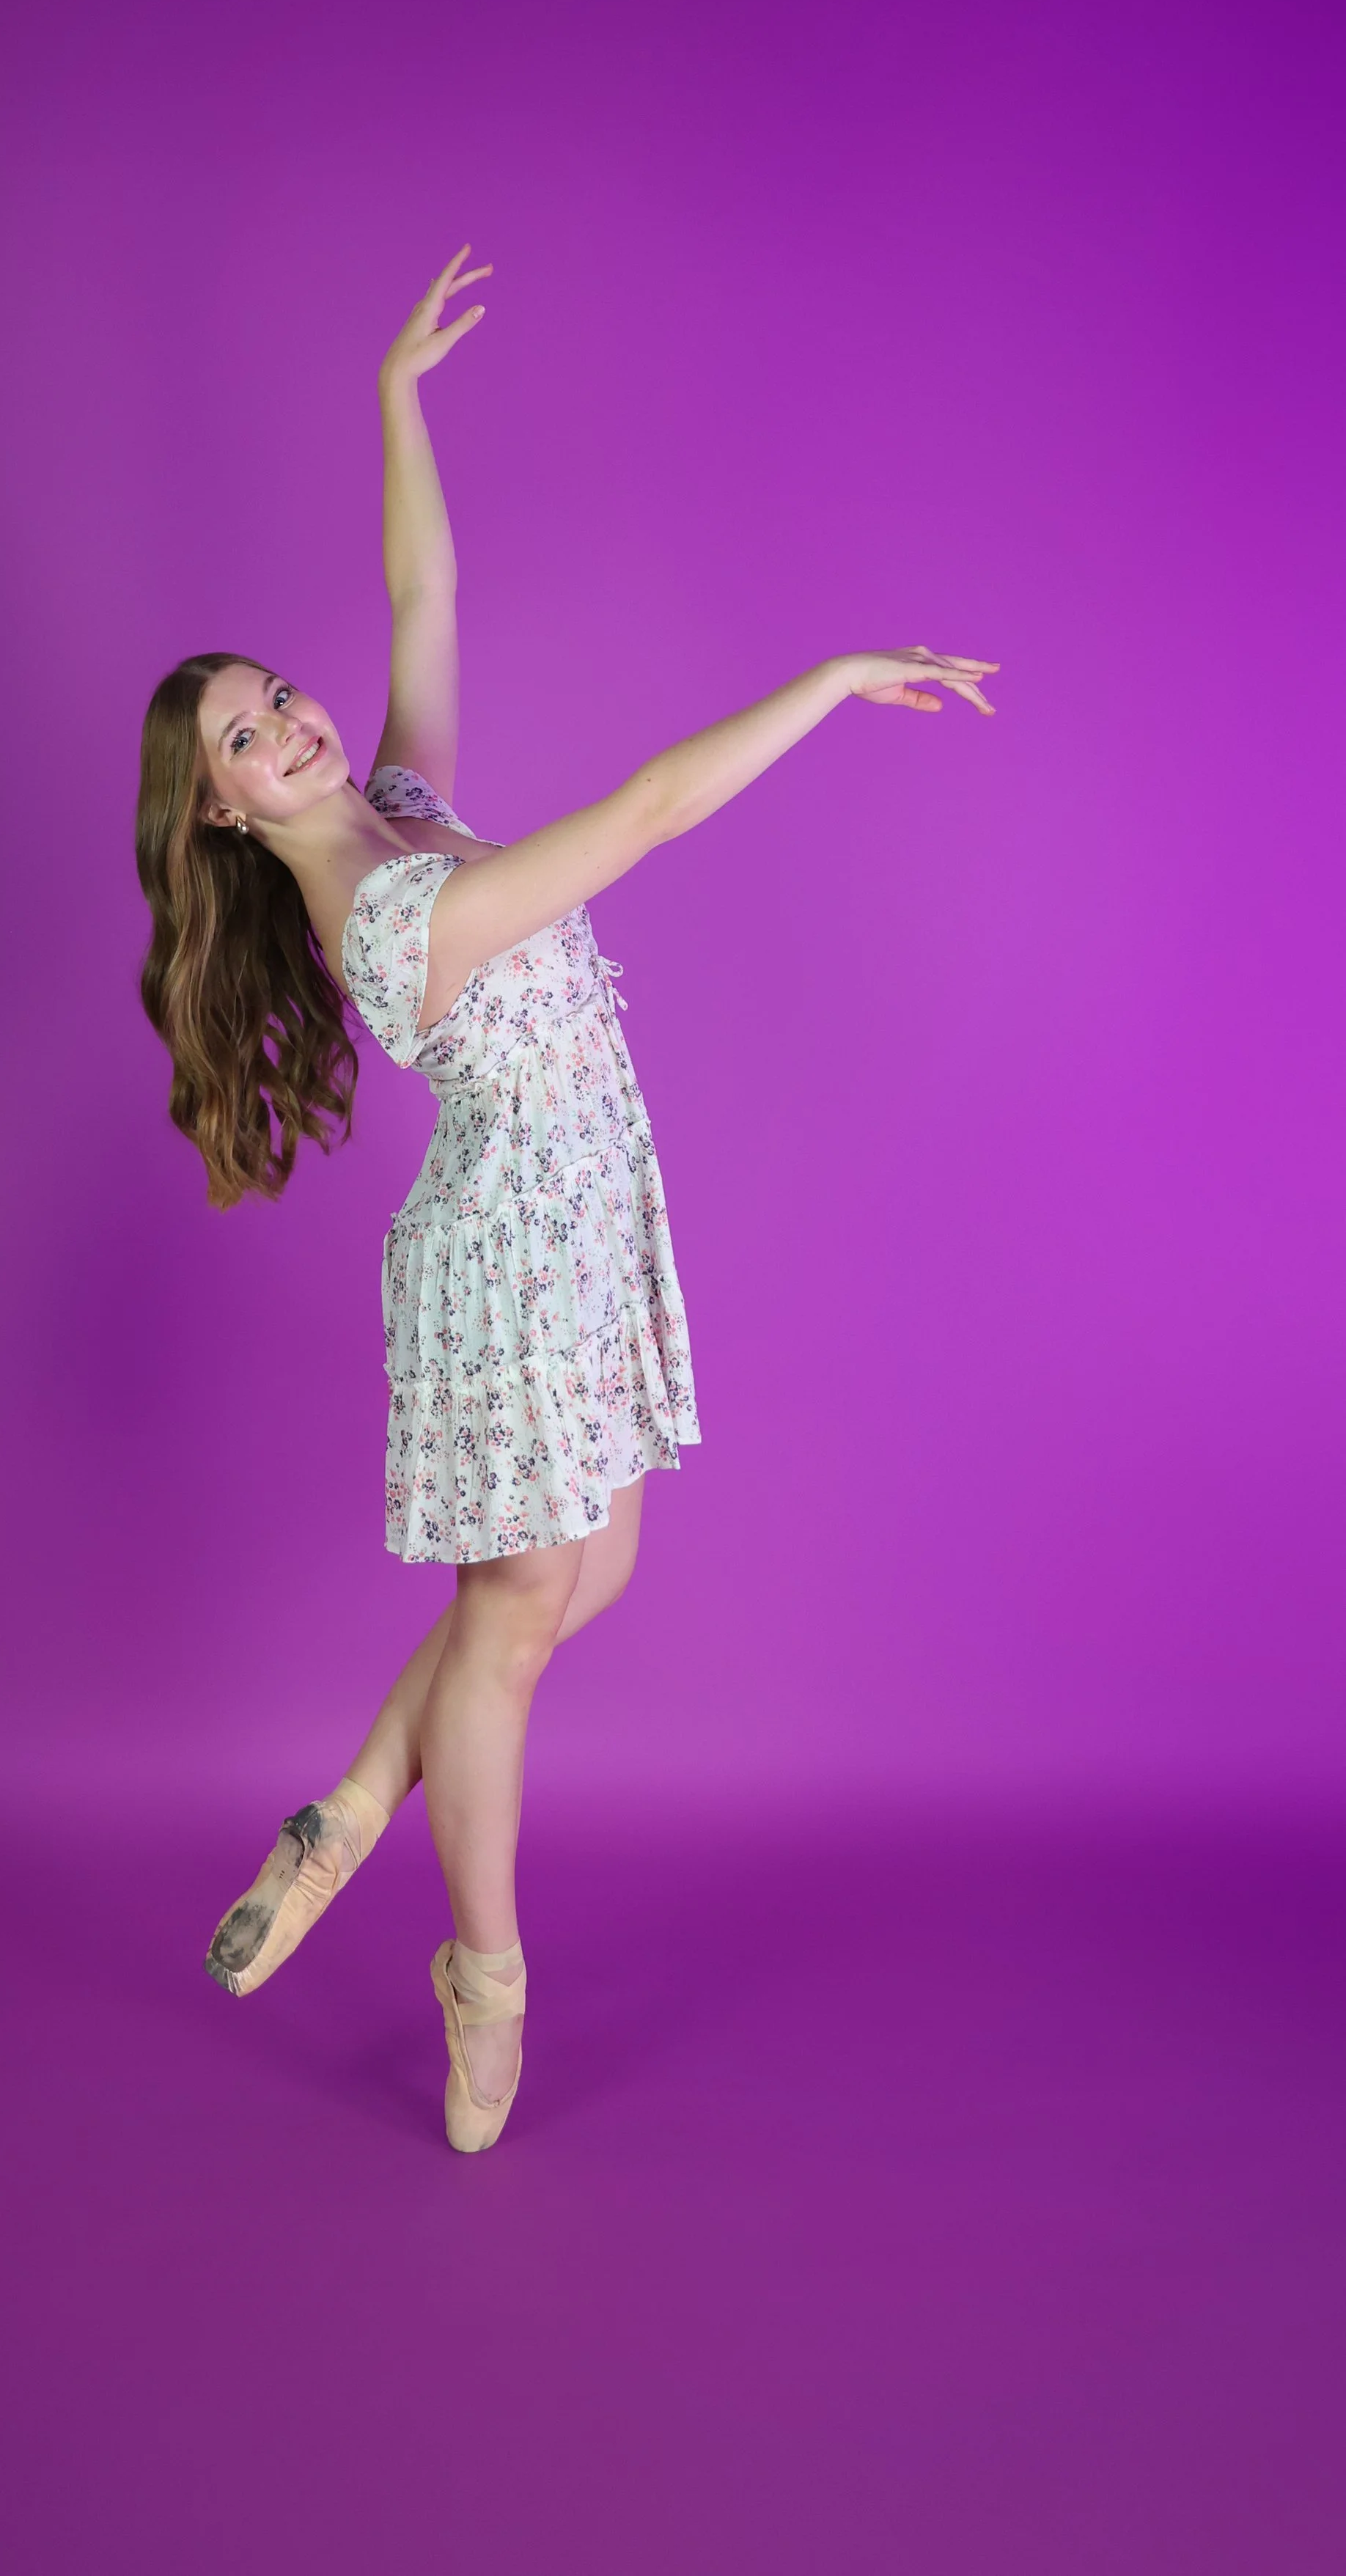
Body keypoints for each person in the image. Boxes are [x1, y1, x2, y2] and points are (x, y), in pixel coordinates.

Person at [135, 247, 998, 2151]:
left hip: (575, 1217)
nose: (289, 727)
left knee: (579, 1575)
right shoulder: (392, 908)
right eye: (245, 743)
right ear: (217, 813)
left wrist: (392, 395)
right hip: (512, 1253)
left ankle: (347, 1812)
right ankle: (484, 1975)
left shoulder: (397, 808)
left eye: (277, 698)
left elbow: (424, 594)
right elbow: (652, 811)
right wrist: (836, 678)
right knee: (517, 1620)